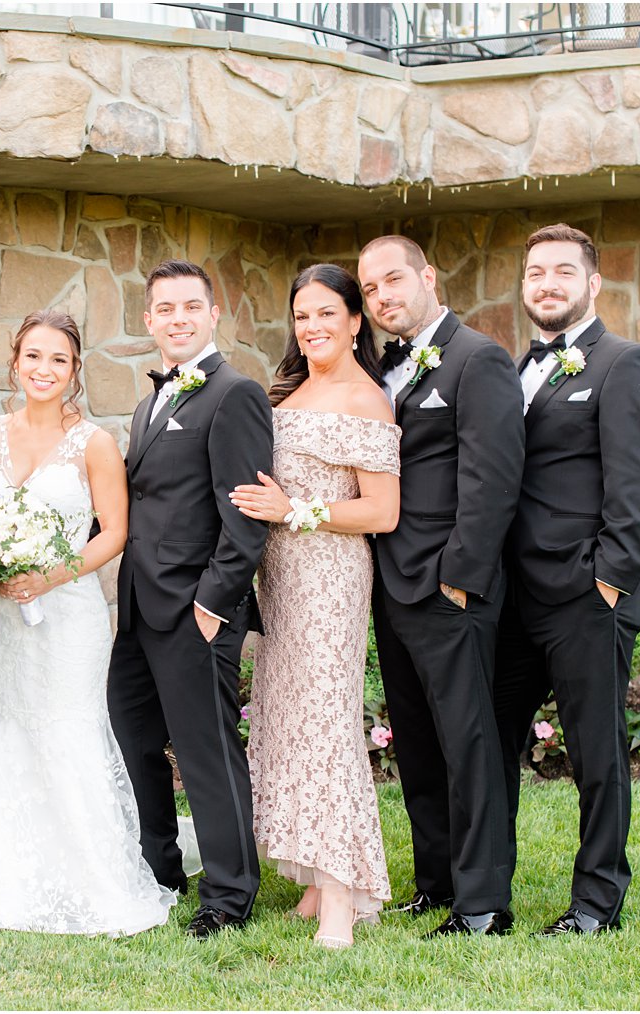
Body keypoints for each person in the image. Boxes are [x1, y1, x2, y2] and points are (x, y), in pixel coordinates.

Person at [0, 310, 176, 936]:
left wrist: (51, 576)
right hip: (6, 619)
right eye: (33, 357)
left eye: (58, 360)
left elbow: (115, 532)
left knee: (68, 728)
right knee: (9, 724)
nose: (44, 370)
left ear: (74, 371)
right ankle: (2, 868)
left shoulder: (92, 442)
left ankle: (92, 875)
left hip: (69, 616)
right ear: (15, 363)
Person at [492, 223, 640, 936]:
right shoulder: (512, 368)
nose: (548, 284)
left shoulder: (625, 363)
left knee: (596, 757)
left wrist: (609, 583)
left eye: (564, 272)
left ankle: (596, 903)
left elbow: (639, 484)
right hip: (511, 599)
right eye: (536, 273)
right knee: (489, 744)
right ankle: (481, 890)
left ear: (593, 284)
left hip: (585, 598)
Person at [356, 235, 525, 938]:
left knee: (469, 743)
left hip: (448, 588)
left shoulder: (476, 358)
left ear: (427, 276)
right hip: (390, 590)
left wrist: (460, 578)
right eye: (369, 289)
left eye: (393, 279)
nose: (383, 296)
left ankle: (484, 903)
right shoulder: (381, 369)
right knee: (418, 744)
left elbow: (494, 477)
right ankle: (436, 883)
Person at [228, 264, 400, 950]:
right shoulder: (291, 389)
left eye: (328, 313)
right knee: (290, 725)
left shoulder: (366, 399)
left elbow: (382, 512)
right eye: (303, 315)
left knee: (327, 734)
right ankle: (311, 878)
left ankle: (341, 900)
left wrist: (295, 509)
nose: (314, 327)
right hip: (281, 584)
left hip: (330, 582)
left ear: (356, 321)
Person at [107, 259, 274, 939]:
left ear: (212, 315)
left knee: (206, 752)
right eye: (164, 309)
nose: (177, 319)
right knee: (136, 740)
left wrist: (212, 607)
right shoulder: (153, 401)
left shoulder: (235, 394)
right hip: (139, 612)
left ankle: (230, 895)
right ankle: (161, 870)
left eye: (189, 307)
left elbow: (245, 517)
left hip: (195, 613)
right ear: (149, 321)